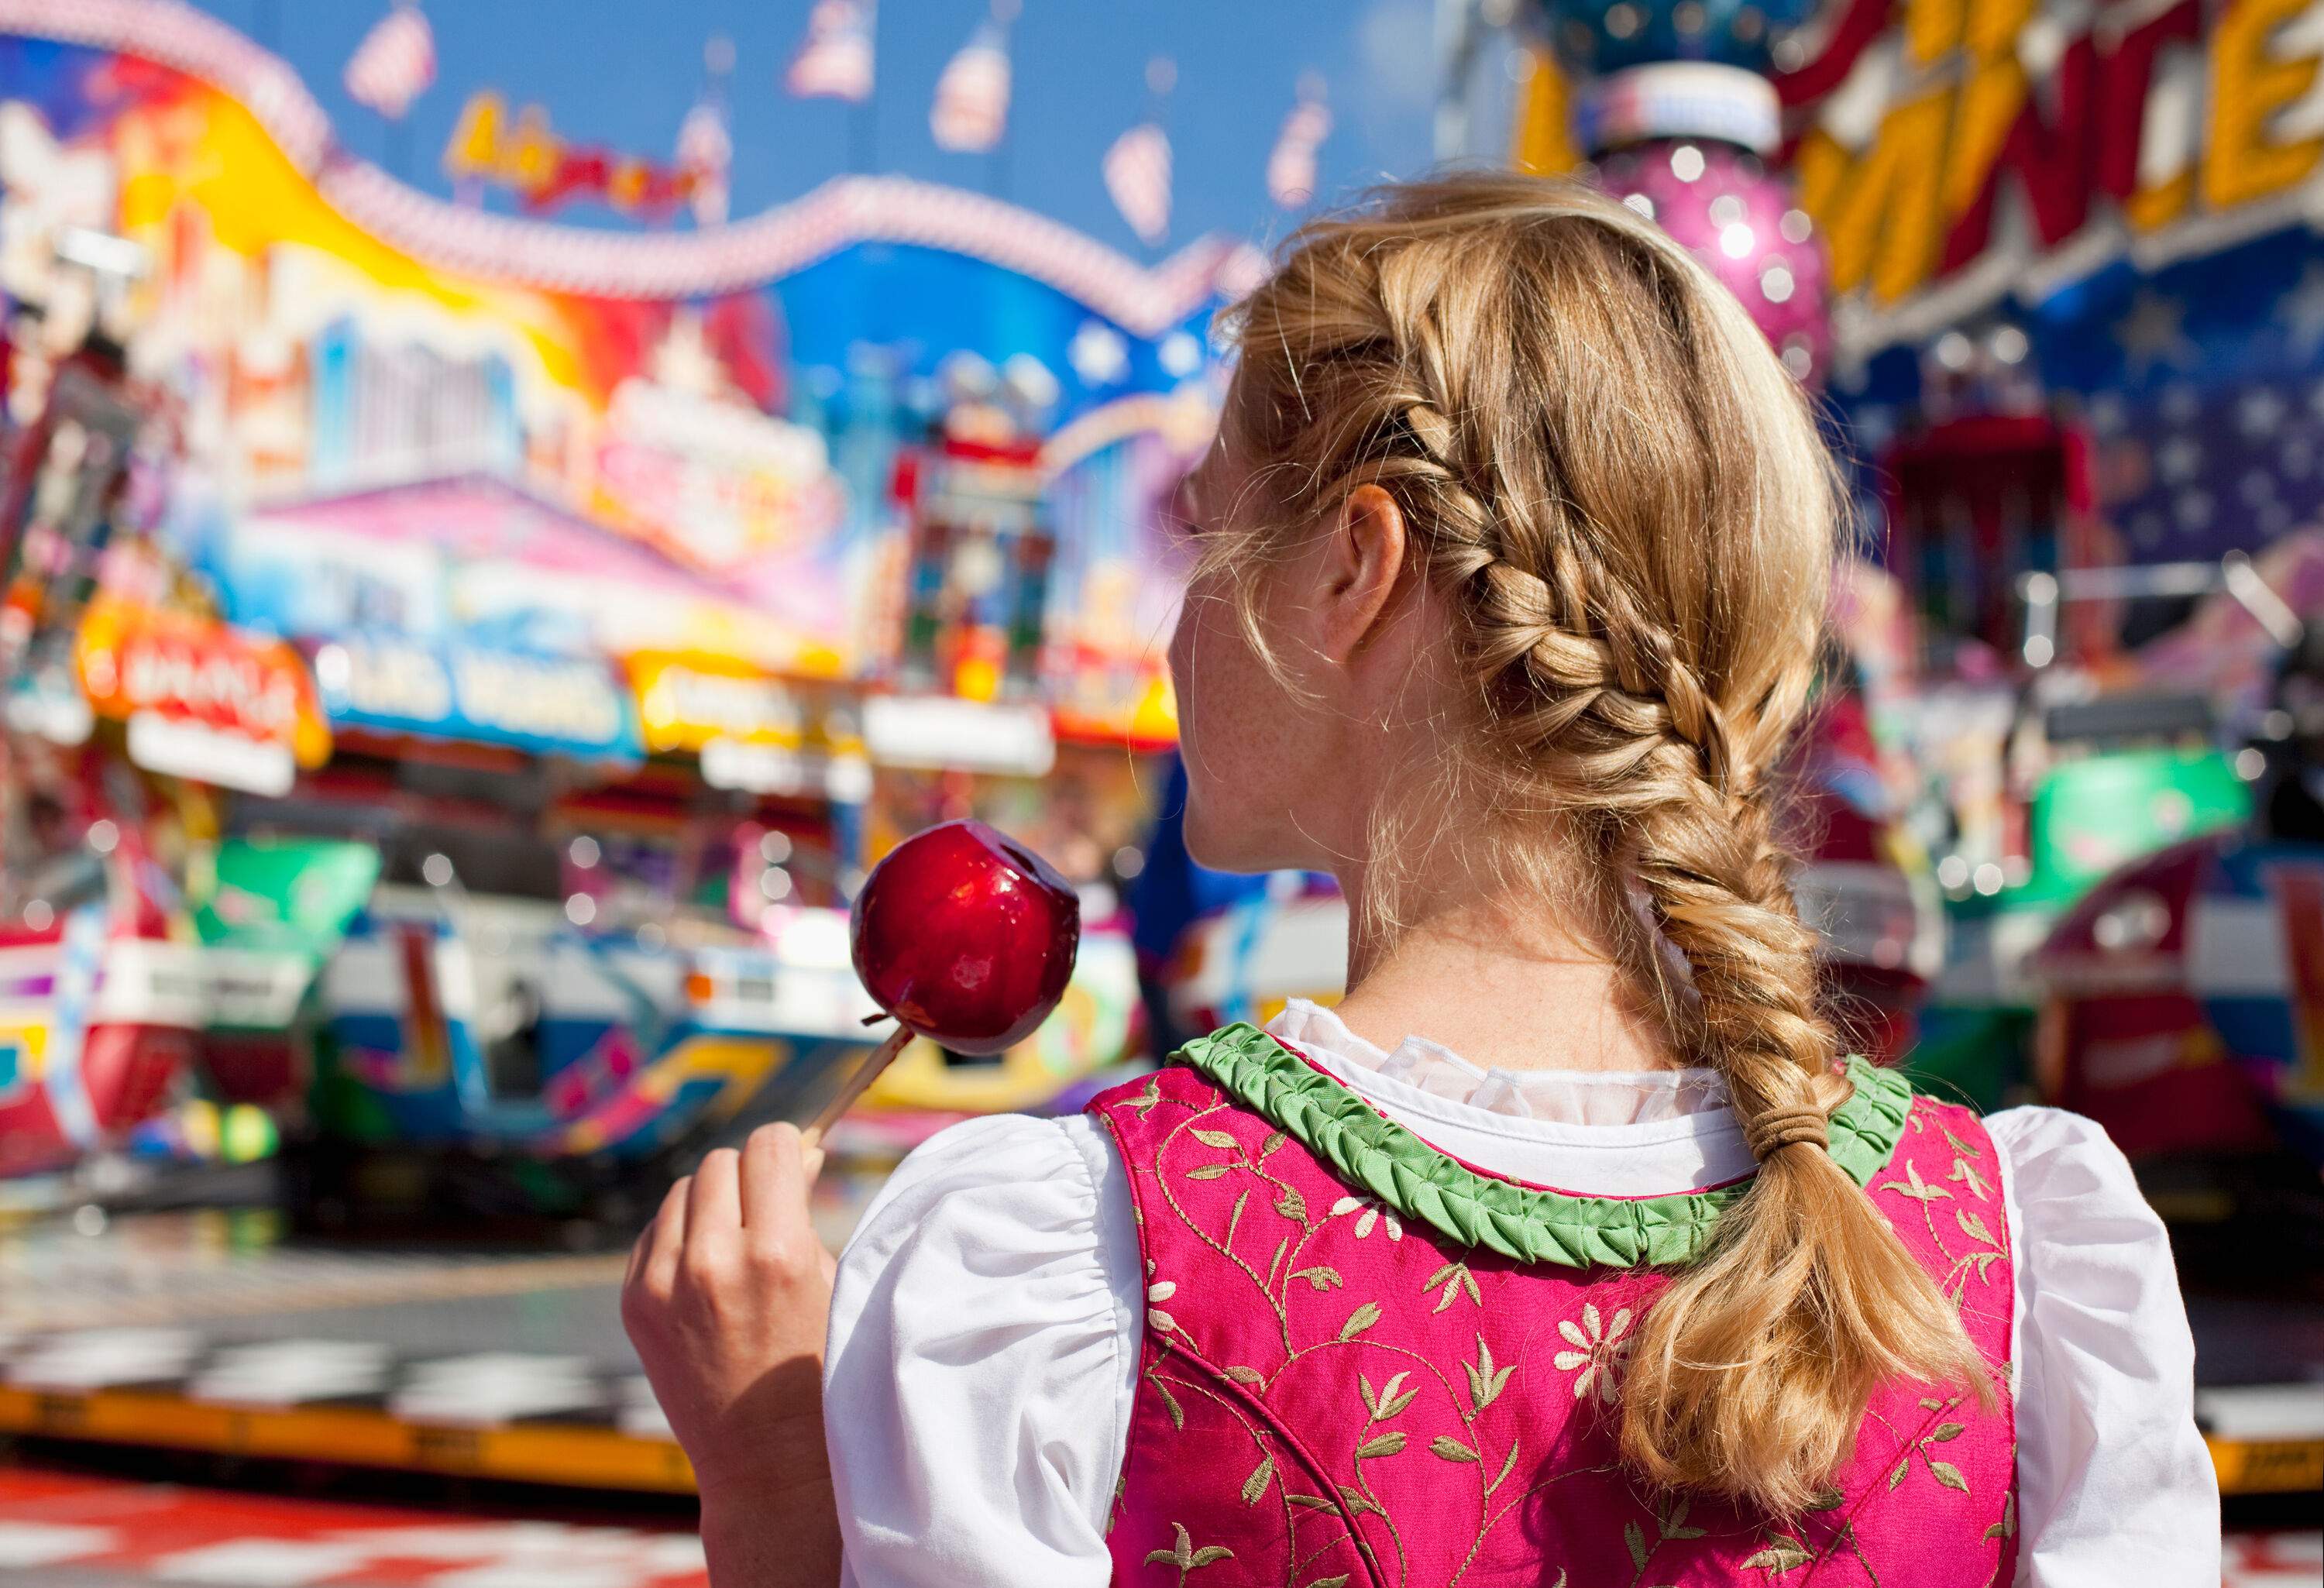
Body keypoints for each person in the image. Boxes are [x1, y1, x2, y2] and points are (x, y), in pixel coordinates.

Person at [622, 174, 2219, 1586]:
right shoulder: (2011, 1247)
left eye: (1207, 530)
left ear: (1351, 568)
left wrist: (774, 1477)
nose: (1177, 623)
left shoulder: (1081, 1248)